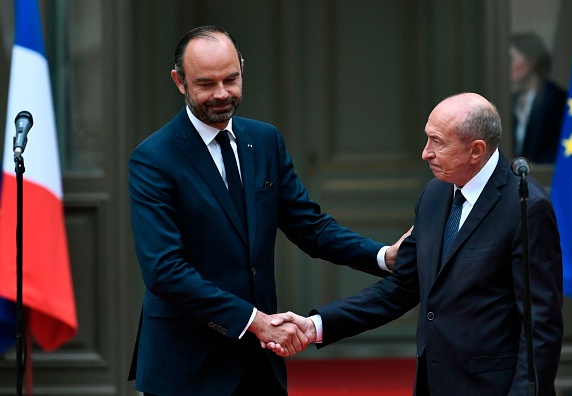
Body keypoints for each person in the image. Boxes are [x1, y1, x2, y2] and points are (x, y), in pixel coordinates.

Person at [127, 25, 407, 396]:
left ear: (242, 67)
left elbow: (309, 225)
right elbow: (164, 270)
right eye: (206, 84)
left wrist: (384, 256)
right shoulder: (153, 159)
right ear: (179, 81)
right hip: (186, 366)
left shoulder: (265, 140)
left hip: (259, 364)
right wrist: (255, 321)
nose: (222, 94)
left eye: (231, 78)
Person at [271, 93, 564, 395]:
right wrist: (316, 325)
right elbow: (402, 287)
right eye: (427, 139)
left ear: (476, 150)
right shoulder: (434, 195)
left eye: (437, 142)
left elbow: (540, 325)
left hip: (492, 387)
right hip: (432, 383)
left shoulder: (526, 207)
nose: (426, 153)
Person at [510, 31, 567, 163]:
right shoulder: (512, 101)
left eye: (511, 59)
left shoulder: (554, 99)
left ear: (531, 61)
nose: (508, 66)